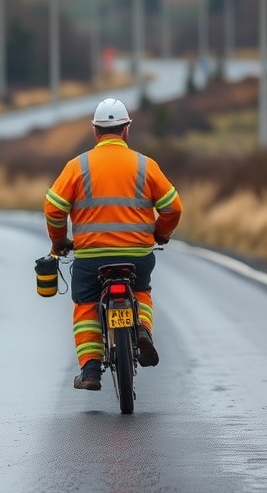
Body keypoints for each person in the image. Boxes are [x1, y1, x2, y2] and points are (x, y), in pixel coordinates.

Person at [43, 97, 182, 391]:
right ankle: (142, 329)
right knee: (141, 290)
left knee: (86, 304)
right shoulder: (145, 165)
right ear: (126, 130)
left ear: (95, 132)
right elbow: (173, 208)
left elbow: (54, 208)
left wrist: (59, 242)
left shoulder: (77, 166)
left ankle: (91, 370)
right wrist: (160, 234)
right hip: (138, 255)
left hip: (91, 258)